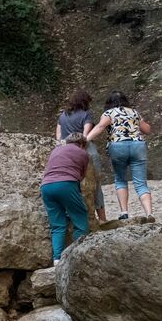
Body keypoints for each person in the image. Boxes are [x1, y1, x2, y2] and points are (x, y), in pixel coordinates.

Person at [86, 90, 153, 220]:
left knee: (121, 179)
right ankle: (149, 213)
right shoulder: (134, 112)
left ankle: (124, 212)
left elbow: (100, 127)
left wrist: (85, 139)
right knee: (141, 183)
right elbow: (147, 130)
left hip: (118, 146)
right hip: (137, 145)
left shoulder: (109, 113)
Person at [55, 88, 106, 222]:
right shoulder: (86, 114)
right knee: (95, 184)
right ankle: (102, 217)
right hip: (86, 150)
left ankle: (78, 216)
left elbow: (59, 136)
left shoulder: (62, 115)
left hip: (67, 151)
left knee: (74, 182)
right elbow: (86, 134)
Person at [41, 133, 91, 263]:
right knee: (80, 219)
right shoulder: (82, 153)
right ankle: (76, 255)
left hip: (46, 186)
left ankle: (57, 259)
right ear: (82, 144)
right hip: (66, 184)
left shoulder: (56, 149)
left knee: (57, 226)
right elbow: (81, 176)